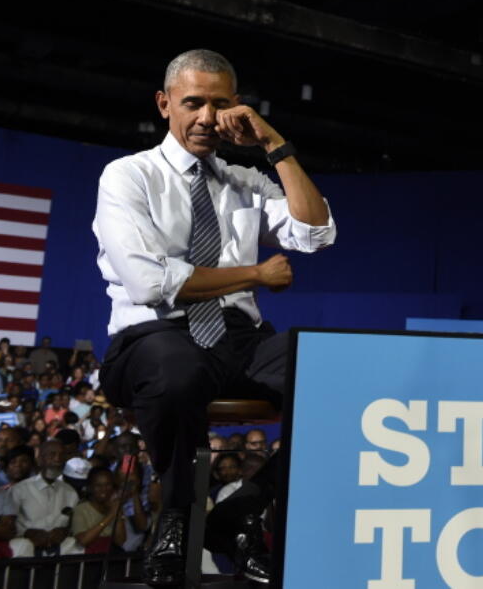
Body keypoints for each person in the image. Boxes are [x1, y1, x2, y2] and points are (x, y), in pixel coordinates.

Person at [94, 49, 336, 586]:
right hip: (153, 336)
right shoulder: (128, 176)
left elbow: (318, 233)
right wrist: (254, 275)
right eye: (193, 103)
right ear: (164, 104)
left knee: (335, 370)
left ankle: (242, 510)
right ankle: (178, 515)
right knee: (176, 370)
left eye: (220, 104)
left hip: (239, 340)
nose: (207, 117)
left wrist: (273, 145)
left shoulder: (245, 179)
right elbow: (151, 282)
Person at [9, 439, 82, 557]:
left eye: (61, 455)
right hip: (27, 551)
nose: (57, 459)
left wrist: (65, 531)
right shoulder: (19, 490)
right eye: (52, 454)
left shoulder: (70, 493)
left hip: (59, 550)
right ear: (40, 459)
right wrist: (27, 533)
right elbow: (10, 522)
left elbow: (74, 524)